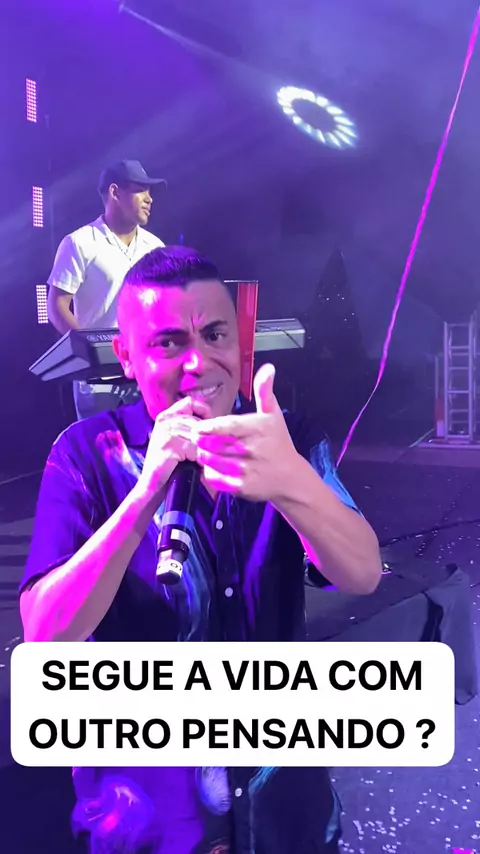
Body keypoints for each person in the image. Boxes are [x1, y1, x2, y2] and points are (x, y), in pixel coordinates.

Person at [20, 245, 382, 854]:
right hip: (149, 818)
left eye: (215, 335)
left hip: (284, 813)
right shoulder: (87, 453)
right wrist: (145, 495)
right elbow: (45, 636)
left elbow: (364, 573)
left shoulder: (288, 441)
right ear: (126, 357)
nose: (198, 362)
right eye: (168, 343)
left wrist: (292, 484)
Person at [47, 159, 166, 419]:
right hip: (97, 381)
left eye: (150, 192)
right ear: (115, 192)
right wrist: (92, 352)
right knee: (100, 443)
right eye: (141, 190)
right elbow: (56, 307)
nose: (149, 199)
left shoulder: (156, 247)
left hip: (143, 373)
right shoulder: (79, 243)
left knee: (148, 442)